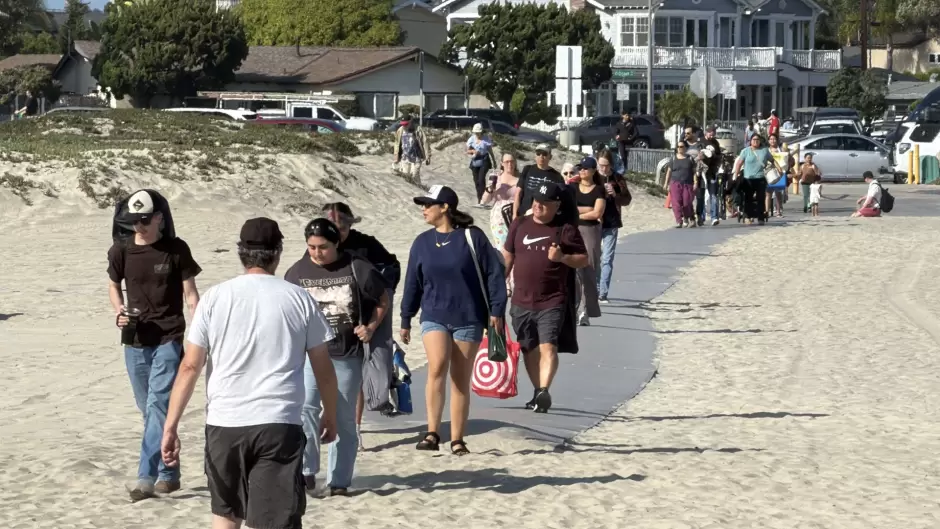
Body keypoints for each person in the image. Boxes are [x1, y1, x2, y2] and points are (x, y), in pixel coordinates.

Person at [161, 218, 339, 529]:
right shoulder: (298, 298)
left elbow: (190, 366)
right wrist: (331, 414)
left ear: (241, 253)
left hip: (224, 423)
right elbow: (323, 367)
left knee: (226, 515)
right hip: (278, 422)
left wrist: (170, 425)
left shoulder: (214, 298)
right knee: (273, 520)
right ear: (278, 253)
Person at [107, 189, 201, 501]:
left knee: (158, 405)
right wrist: (118, 312)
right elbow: (113, 286)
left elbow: (191, 295)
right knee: (149, 409)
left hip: (169, 337)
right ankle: (170, 473)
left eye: (145, 220)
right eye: (134, 221)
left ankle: (145, 477)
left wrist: (199, 332)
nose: (140, 227)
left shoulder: (176, 250)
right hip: (134, 340)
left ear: (159, 218)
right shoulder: (120, 251)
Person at [284, 218, 390, 496]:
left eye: (323, 247)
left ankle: (339, 482)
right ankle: (307, 472)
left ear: (336, 243)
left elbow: (383, 300)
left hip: (346, 355)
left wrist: (369, 327)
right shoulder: (296, 272)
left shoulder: (357, 267)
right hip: (309, 356)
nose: (316, 253)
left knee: (343, 418)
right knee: (305, 410)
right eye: (311, 247)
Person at [400, 185, 507, 455]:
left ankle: (458, 439)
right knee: (437, 366)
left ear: (445, 207)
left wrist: (496, 311)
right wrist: (405, 317)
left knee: (460, 378)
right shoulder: (422, 242)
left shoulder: (472, 237)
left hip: (469, 317)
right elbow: (413, 282)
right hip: (434, 314)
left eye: (428, 204)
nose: (423, 209)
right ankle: (432, 432)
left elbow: (494, 274)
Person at [502, 181, 588, 413]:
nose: (538, 206)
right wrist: (499, 284)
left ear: (557, 205)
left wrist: (562, 258)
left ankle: (544, 389)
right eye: (536, 201)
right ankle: (538, 391)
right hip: (521, 300)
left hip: (553, 299)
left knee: (548, 346)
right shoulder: (519, 224)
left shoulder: (565, 229)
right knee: (528, 348)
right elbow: (508, 256)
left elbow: (583, 258)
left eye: (544, 203)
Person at [320, 203, 400, 448]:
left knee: (358, 374)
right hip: (331, 315)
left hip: (366, 314)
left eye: (342, 228)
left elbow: (392, 266)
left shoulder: (366, 244)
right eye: (332, 227)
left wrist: (377, 291)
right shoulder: (318, 245)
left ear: (350, 225)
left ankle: (353, 429)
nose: (337, 233)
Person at [570, 157, 605, 326]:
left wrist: (578, 214)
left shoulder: (598, 190)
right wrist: (586, 210)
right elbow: (567, 207)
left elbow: (597, 213)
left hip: (591, 232)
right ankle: (576, 308)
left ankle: (587, 309)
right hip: (573, 231)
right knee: (575, 272)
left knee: (589, 270)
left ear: (593, 170)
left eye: (586, 168)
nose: (582, 171)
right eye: (581, 168)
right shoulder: (572, 188)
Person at [596, 152, 630, 302]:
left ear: (611, 165)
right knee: (595, 257)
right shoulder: (593, 177)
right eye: (601, 165)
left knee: (607, 259)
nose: (603, 168)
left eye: (606, 165)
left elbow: (627, 199)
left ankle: (603, 293)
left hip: (612, 221)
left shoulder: (617, 178)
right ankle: (596, 288)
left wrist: (615, 194)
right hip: (595, 221)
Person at [732, 134, 780, 225]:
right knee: (748, 198)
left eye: (758, 139)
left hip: (760, 178)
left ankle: (760, 217)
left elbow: (772, 160)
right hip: (748, 179)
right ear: (750, 141)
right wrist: (736, 175)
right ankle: (747, 216)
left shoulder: (764, 151)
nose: (756, 141)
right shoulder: (745, 151)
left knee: (761, 198)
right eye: (754, 139)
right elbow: (739, 163)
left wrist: (779, 169)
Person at [513, 144, 565, 219]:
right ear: (535, 156)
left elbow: (559, 201)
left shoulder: (557, 176)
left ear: (550, 157)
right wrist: (514, 214)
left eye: (544, 154)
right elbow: (518, 193)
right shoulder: (527, 170)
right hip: (523, 215)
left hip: (543, 218)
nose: (541, 156)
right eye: (538, 153)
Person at [480, 152, 520, 248]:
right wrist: (490, 189)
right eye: (506, 162)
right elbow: (485, 201)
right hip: (499, 217)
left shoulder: (521, 178)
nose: (509, 164)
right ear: (502, 163)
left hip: (516, 215)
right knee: (502, 247)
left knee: (515, 247)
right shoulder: (496, 177)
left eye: (512, 161)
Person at [663, 141, 697, 228]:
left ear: (685, 148)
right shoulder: (673, 158)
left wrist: (695, 182)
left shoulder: (690, 159)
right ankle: (679, 221)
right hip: (675, 183)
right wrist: (666, 183)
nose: (679, 148)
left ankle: (689, 218)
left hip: (687, 184)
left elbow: (694, 172)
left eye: (681, 146)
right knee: (676, 203)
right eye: (678, 146)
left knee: (687, 202)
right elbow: (669, 172)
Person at [697, 126, 722, 226]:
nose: (712, 135)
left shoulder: (715, 143)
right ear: (706, 133)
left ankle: (714, 217)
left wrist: (714, 155)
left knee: (713, 195)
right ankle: (701, 217)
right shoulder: (700, 142)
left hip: (712, 172)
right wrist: (703, 154)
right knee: (701, 196)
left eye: (713, 133)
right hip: (702, 172)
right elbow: (698, 155)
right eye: (710, 133)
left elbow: (719, 155)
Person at [393, 118, 430, 184]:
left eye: (406, 124)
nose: (404, 126)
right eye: (403, 124)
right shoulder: (400, 130)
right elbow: (397, 144)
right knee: (405, 176)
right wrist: (396, 156)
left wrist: (427, 156)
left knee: (414, 176)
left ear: (410, 122)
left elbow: (425, 142)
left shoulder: (418, 129)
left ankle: (419, 189)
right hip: (404, 158)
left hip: (416, 158)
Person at [467, 123, 496, 204]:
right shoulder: (471, 139)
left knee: (481, 179)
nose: (477, 134)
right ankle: (479, 198)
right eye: (476, 132)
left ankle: (482, 200)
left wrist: (494, 161)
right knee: (476, 181)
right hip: (475, 161)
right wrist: (473, 151)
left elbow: (490, 151)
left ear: (481, 132)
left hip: (484, 160)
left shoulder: (486, 139)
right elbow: (467, 151)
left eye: (478, 132)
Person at [766, 135, 790, 218]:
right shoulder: (766, 151)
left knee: (778, 193)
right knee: (768, 193)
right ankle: (767, 211)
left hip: (780, 173)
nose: (773, 141)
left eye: (774, 139)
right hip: (769, 173)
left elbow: (788, 160)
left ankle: (778, 211)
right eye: (771, 139)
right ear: (768, 141)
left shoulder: (781, 150)